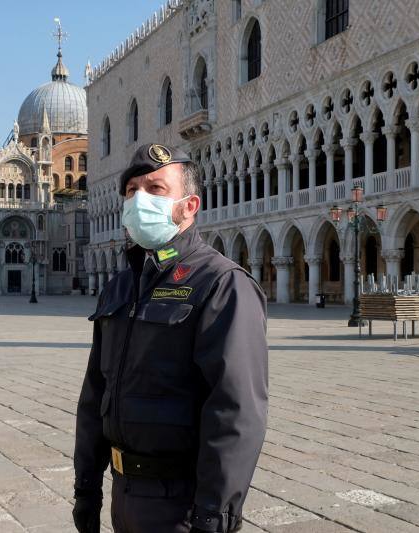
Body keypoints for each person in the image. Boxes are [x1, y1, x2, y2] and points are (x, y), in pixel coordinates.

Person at [73, 144, 268, 533]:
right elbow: (95, 394)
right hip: (123, 493)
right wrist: (86, 488)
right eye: (131, 190)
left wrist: (214, 516)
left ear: (189, 206)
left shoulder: (221, 284)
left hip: (181, 503)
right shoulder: (120, 287)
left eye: (155, 189)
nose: (138, 198)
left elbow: (235, 411)